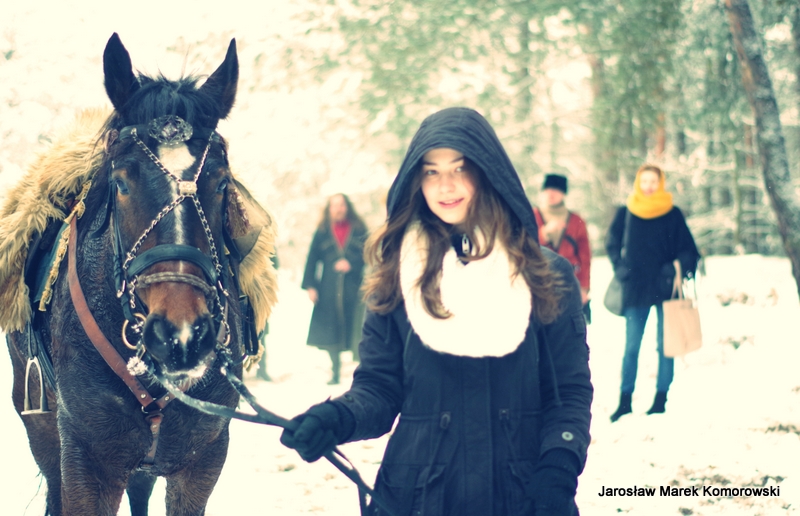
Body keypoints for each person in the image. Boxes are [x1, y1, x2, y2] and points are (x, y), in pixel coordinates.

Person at [281, 107, 593, 515]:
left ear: (487, 171)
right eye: (431, 171)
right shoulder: (395, 276)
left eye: (459, 168)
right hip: (419, 495)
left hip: (523, 494)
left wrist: (558, 467)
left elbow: (568, 392)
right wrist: (336, 417)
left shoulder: (545, 275)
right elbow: (379, 387)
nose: (445, 185)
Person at [605, 164, 700, 422]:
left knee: (665, 345)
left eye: (653, 181)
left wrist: (674, 266)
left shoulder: (672, 214)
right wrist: (619, 266)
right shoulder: (626, 212)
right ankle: (625, 401)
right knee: (631, 347)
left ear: (661, 183)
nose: (649, 186)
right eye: (644, 181)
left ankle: (660, 400)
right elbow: (611, 242)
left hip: (665, 287)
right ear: (638, 183)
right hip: (635, 288)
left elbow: (689, 250)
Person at [301, 193, 367, 385]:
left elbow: (369, 254)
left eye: (341, 205)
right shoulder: (322, 231)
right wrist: (311, 286)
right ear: (329, 209)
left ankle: (363, 372)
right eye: (335, 205)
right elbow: (312, 259)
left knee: (357, 329)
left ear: (347, 207)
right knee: (332, 332)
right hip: (328, 289)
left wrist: (352, 264)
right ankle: (335, 372)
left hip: (354, 288)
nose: (338, 209)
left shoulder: (359, 229)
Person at [533, 173, 592, 323]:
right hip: (538, 282)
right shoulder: (532, 215)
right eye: (547, 189)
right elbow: (523, 243)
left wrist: (584, 287)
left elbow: (585, 256)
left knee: (567, 327)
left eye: (556, 190)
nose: (551, 194)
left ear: (563, 193)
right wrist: (544, 234)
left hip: (569, 282)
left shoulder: (576, 220)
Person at [256, 252, 280, 381]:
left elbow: (274, 264)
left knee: (260, 331)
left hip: (260, 288)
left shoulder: (266, 241)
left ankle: (262, 369)